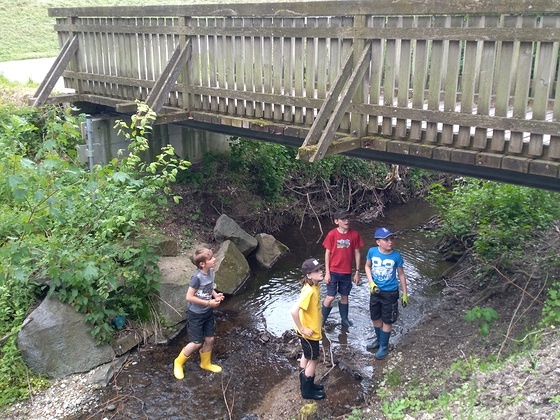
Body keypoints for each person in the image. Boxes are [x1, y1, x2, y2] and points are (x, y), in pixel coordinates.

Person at [173, 247, 225, 379]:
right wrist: (209, 303)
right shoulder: (196, 277)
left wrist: (215, 295)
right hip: (195, 314)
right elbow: (189, 297)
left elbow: (209, 287)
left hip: (207, 312)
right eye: (211, 258)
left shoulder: (211, 272)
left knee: (210, 338)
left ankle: (205, 363)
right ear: (202, 264)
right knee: (196, 342)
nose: (214, 260)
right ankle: (178, 362)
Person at [364, 227, 408, 360]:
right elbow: (367, 266)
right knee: (375, 317)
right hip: (376, 291)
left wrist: (405, 293)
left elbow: (401, 274)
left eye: (391, 239)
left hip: (390, 293)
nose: (390, 242)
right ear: (378, 242)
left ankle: (384, 345)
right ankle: (378, 340)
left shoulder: (396, 256)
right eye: (386, 239)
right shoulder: (372, 252)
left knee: (387, 320)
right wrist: (371, 283)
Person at [290, 257, 326, 400]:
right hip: (309, 333)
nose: (321, 272)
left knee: (306, 355)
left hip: (310, 330)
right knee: (314, 359)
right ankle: (307, 391)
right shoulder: (309, 291)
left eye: (320, 269)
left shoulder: (314, 286)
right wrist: (303, 329)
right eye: (316, 271)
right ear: (309, 275)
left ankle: (306, 384)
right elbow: (294, 311)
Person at [321, 209, 364, 327]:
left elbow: (357, 253)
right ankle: (321, 321)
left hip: (347, 272)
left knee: (345, 296)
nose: (346, 221)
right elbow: (327, 254)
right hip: (333, 271)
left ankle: (344, 319)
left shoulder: (354, 234)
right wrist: (327, 273)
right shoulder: (332, 234)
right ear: (336, 221)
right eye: (343, 219)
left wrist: (357, 272)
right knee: (330, 297)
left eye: (347, 218)